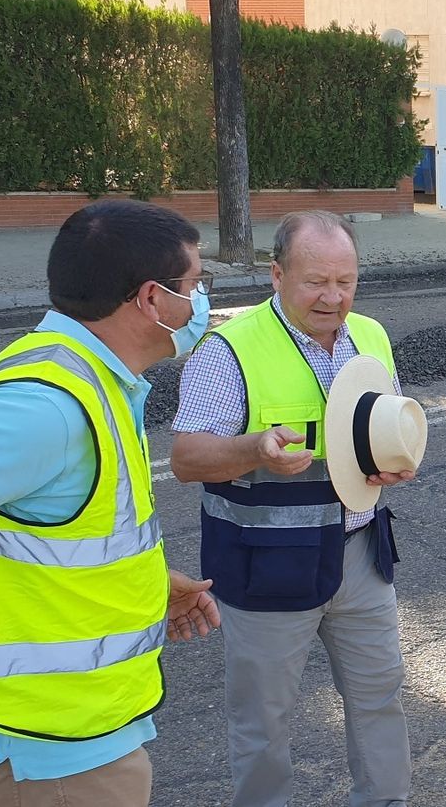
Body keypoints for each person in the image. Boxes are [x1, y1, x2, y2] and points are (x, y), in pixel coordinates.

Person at [0, 201, 220, 805]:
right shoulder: (47, 407)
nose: (201, 303)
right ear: (153, 299)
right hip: (40, 761)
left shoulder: (93, 381)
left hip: (67, 745)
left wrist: (146, 586)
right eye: (194, 285)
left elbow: (51, 539)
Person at [170, 210, 416, 807]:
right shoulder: (229, 349)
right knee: (263, 723)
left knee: (381, 698)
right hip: (265, 567)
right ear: (276, 275)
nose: (334, 298)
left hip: (360, 554)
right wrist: (254, 449)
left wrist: (394, 462)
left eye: (346, 281)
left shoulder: (371, 336)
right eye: (316, 282)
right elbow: (186, 458)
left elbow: (383, 429)